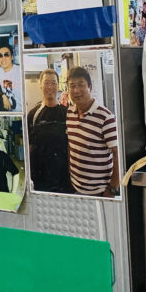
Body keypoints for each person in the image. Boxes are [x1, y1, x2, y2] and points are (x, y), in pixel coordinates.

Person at [66, 67, 119, 197]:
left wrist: (113, 187)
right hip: (76, 187)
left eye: (81, 85)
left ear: (90, 87)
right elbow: (71, 145)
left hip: (99, 192)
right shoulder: (69, 112)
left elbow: (117, 154)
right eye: (72, 86)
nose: (76, 90)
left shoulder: (105, 117)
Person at [27, 69, 71, 194]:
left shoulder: (67, 113)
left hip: (63, 178)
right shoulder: (33, 115)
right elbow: (30, 147)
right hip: (40, 178)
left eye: (53, 83)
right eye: (46, 83)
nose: (50, 87)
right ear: (40, 85)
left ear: (59, 86)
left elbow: (71, 146)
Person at [0, 45, 21, 111]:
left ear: (12, 57)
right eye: (0, 55)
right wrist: (3, 95)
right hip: (9, 111)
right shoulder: (0, 71)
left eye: (6, 55)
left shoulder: (19, 71)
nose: (3, 58)